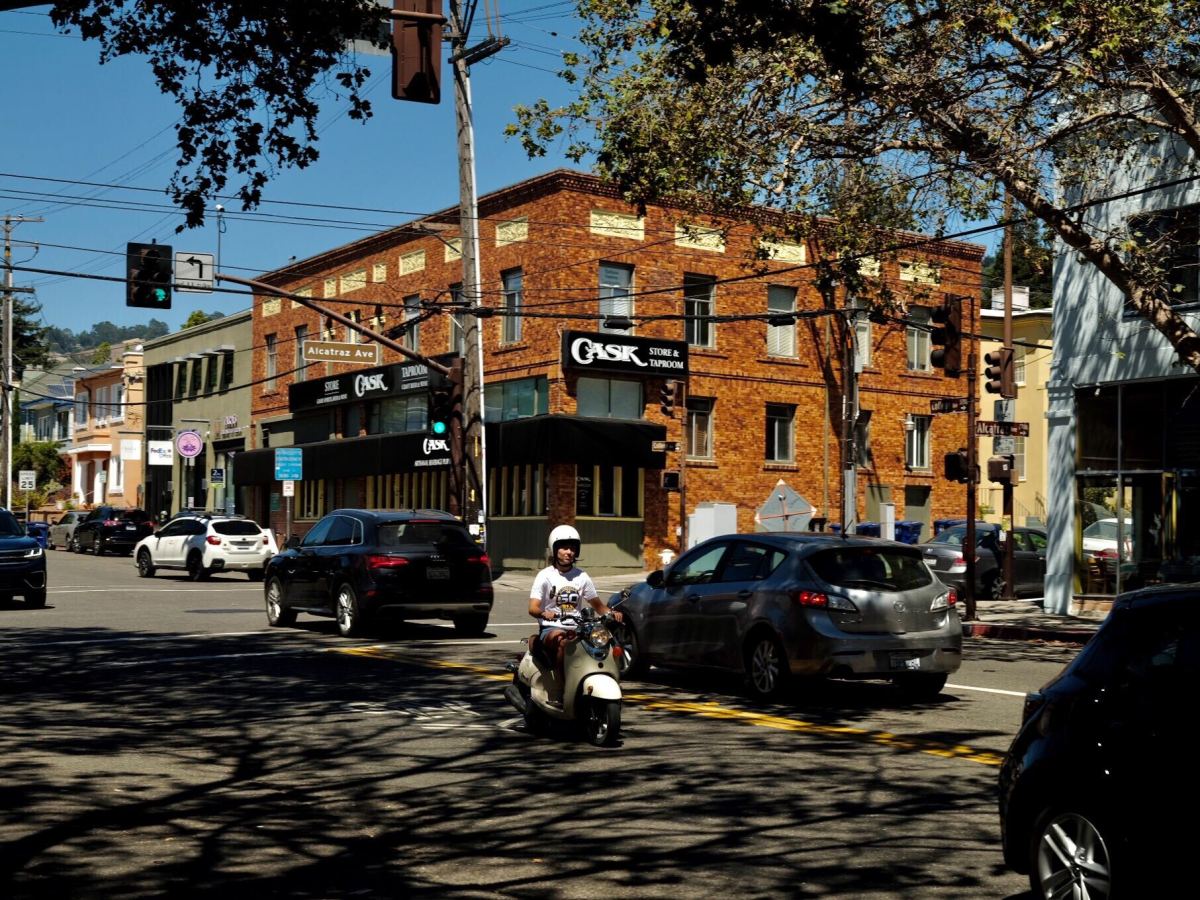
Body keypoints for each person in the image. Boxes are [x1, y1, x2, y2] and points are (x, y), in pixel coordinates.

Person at [528, 524, 622, 698]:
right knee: (562, 641)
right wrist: (543, 613)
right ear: (555, 549)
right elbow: (532, 607)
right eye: (564, 547)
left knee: (603, 643)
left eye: (572, 548)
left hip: (577, 629)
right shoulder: (545, 576)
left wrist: (612, 613)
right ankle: (562, 689)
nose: (569, 552)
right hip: (551, 628)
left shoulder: (582, 577)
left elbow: (598, 606)